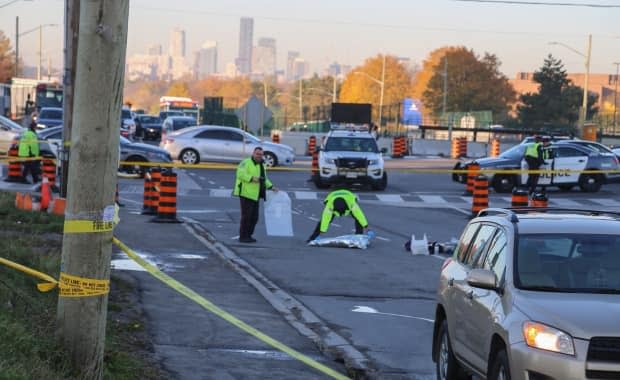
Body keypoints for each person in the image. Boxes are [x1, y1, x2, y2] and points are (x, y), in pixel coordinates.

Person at [233, 147, 277, 243]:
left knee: (254, 218)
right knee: (246, 217)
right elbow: (240, 174)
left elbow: (264, 179)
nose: (259, 156)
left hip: (256, 194)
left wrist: (271, 187)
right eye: (257, 154)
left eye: (261, 154)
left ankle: (249, 235)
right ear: (253, 153)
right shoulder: (245, 162)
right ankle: (243, 236)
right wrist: (252, 178)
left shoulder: (261, 165)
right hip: (245, 193)